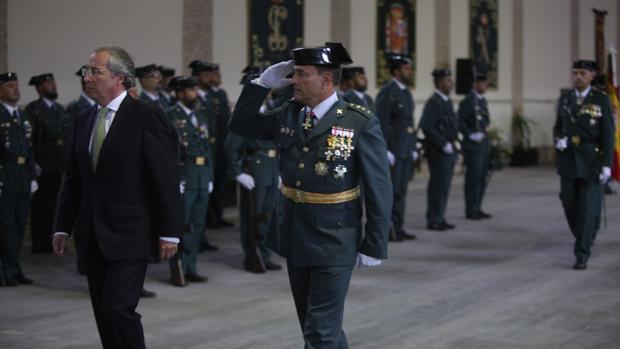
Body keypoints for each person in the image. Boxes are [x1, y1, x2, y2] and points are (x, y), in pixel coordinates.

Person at [229, 42, 392, 348]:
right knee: (315, 326)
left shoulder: (358, 122)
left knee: (319, 333)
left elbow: (379, 186)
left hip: (335, 238)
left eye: (301, 74)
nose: (293, 80)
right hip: (295, 231)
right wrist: (261, 85)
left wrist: (375, 242)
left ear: (326, 80)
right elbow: (241, 123)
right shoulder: (290, 114)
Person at [52, 46, 182, 348]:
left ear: (120, 78)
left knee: (118, 308)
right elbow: (74, 179)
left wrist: (170, 233)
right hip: (92, 233)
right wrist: (62, 225)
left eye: (95, 71)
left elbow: (165, 178)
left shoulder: (146, 117)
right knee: (102, 312)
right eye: (87, 71)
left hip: (131, 233)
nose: (87, 77)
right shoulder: (84, 119)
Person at [553, 59, 614, 270]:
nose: (578, 76)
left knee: (587, 208)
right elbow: (558, 127)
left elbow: (607, 134)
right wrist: (558, 140)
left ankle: (582, 252)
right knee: (569, 203)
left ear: (591, 76)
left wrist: (608, 164)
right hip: (569, 159)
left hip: (591, 160)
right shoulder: (565, 99)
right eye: (575, 73)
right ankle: (587, 233)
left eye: (582, 73)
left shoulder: (600, 99)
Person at [224, 66, 282, 274]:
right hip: (255, 171)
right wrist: (238, 172)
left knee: (267, 215)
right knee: (252, 217)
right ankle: (252, 255)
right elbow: (231, 146)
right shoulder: (246, 114)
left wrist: (279, 172)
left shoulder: (272, 110)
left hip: (271, 170)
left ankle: (264, 255)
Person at [165, 76, 214, 285]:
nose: (195, 93)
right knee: (181, 226)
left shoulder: (199, 115)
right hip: (185, 177)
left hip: (201, 176)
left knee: (197, 225)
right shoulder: (170, 116)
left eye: (195, 89)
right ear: (179, 93)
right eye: (191, 90)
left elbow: (207, 148)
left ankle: (191, 266)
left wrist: (210, 176)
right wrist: (174, 178)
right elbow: (167, 152)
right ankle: (177, 268)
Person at [0, 72, 38, 286]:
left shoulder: (21, 115)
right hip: (5, 176)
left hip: (23, 176)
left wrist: (32, 175)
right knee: (5, 227)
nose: (16, 89)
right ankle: (5, 270)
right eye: (10, 85)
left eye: (16, 84)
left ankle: (16, 268)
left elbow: (29, 149)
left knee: (19, 225)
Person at [25, 73, 69, 253]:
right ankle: (39, 241)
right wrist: (34, 163)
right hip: (43, 162)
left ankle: (51, 239)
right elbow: (31, 139)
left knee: (54, 204)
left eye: (53, 82)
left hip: (58, 162)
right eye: (48, 83)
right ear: (39, 88)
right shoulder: (33, 109)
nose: (53, 86)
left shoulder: (59, 109)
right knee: (40, 205)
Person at [376, 55, 418, 241]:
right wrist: (385, 149)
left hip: (405, 148)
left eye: (410, 68)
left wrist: (414, 146)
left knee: (401, 190)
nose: (409, 72)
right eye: (406, 68)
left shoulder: (406, 92)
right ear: (396, 71)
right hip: (394, 150)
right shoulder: (388, 92)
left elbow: (409, 121)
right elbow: (382, 122)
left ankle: (398, 226)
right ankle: (387, 228)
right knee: (391, 191)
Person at [419, 68, 459, 231]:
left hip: (449, 150)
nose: (451, 83)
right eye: (447, 81)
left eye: (450, 80)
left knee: (445, 186)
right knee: (437, 185)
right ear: (439, 83)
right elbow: (426, 126)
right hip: (438, 151)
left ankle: (440, 216)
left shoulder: (447, 101)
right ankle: (434, 219)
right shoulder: (434, 102)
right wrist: (443, 143)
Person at [458, 72, 493, 220]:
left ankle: (477, 206)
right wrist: (469, 134)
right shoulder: (468, 101)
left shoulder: (482, 100)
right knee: (473, 178)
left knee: (482, 177)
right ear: (475, 84)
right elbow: (459, 121)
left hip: (483, 144)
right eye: (482, 83)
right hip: (473, 145)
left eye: (486, 83)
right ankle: (470, 209)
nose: (485, 86)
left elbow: (485, 121)